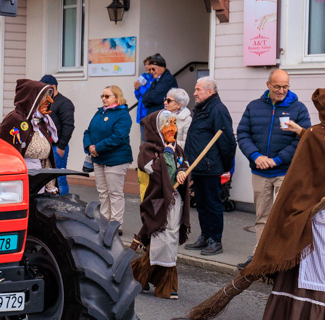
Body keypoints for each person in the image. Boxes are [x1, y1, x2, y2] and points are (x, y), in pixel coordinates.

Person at [254, 88, 325, 320]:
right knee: (310, 265)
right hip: (315, 215)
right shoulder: (314, 135)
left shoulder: (314, 135)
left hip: (310, 212)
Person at [235, 69, 311, 269]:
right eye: (277, 86)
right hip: (259, 171)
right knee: (262, 217)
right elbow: (242, 134)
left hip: (285, 172)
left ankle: (282, 261)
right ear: (268, 85)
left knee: (285, 217)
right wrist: (256, 156)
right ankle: (259, 257)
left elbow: (302, 141)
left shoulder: (299, 109)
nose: (281, 90)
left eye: (285, 86)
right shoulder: (254, 107)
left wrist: (276, 160)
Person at [131, 111, 191, 299]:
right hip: (156, 202)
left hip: (175, 202)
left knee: (170, 240)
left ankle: (152, 279)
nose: (173, 128)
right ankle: (140, 276)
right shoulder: (148, 150)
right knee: (160, 238)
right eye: (168, 124)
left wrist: (183, 172)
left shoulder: (178, 149)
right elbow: (154, 171)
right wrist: (166, 155)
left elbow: (183, 165)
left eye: (174, 123)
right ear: (156, 129)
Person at [183, 77, 237, 256]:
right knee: (202, 204)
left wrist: (225, 166)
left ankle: (215, 239)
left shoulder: (217, 110)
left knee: (213, 204)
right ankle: (205, 235)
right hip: (198, 166)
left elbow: (227, 141)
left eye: (198, 89)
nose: (194, 93)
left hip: (210, 166)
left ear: (210, 91)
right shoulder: (202, 108)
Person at [82, 85, 133, 226]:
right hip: (99, 158)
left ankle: (116, 224)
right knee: (103, 192)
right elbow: (88, 131)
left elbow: (118, 136)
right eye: (102, 96)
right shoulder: (100, 113)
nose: (103, 99)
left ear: (116, 97)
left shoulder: (122, 114)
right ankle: (104, 220)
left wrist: (97, 147)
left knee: (114, 193)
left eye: (107, 96)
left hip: (116, 159)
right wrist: (89, 146)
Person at [0, 79, 58, 192]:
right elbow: (7, 154)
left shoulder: (40, 122)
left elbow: (46, 159)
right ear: (32, 98)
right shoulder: (14, 120)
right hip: (21, 179)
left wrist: (50, 185)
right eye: (44, 97)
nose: (49, 101)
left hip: (38, 179)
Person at [40, 74, 75, 195]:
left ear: (53, 87)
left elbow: (68, 126)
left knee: (59, 178)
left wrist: (61, 146)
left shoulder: (65, 103)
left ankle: (63, 204)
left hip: (57, 147)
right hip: (46, 147)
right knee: (47, 179)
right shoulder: (45, 103)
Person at [140, 53, 178, 121]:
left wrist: (149, 97)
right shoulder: (157, 80)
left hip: (163, 119)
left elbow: (155, 97)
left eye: (153, 69)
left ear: (162, 67)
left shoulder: (168, 79)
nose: (151, 72)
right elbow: (144, 98)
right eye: (150, 69)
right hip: (156, 118)